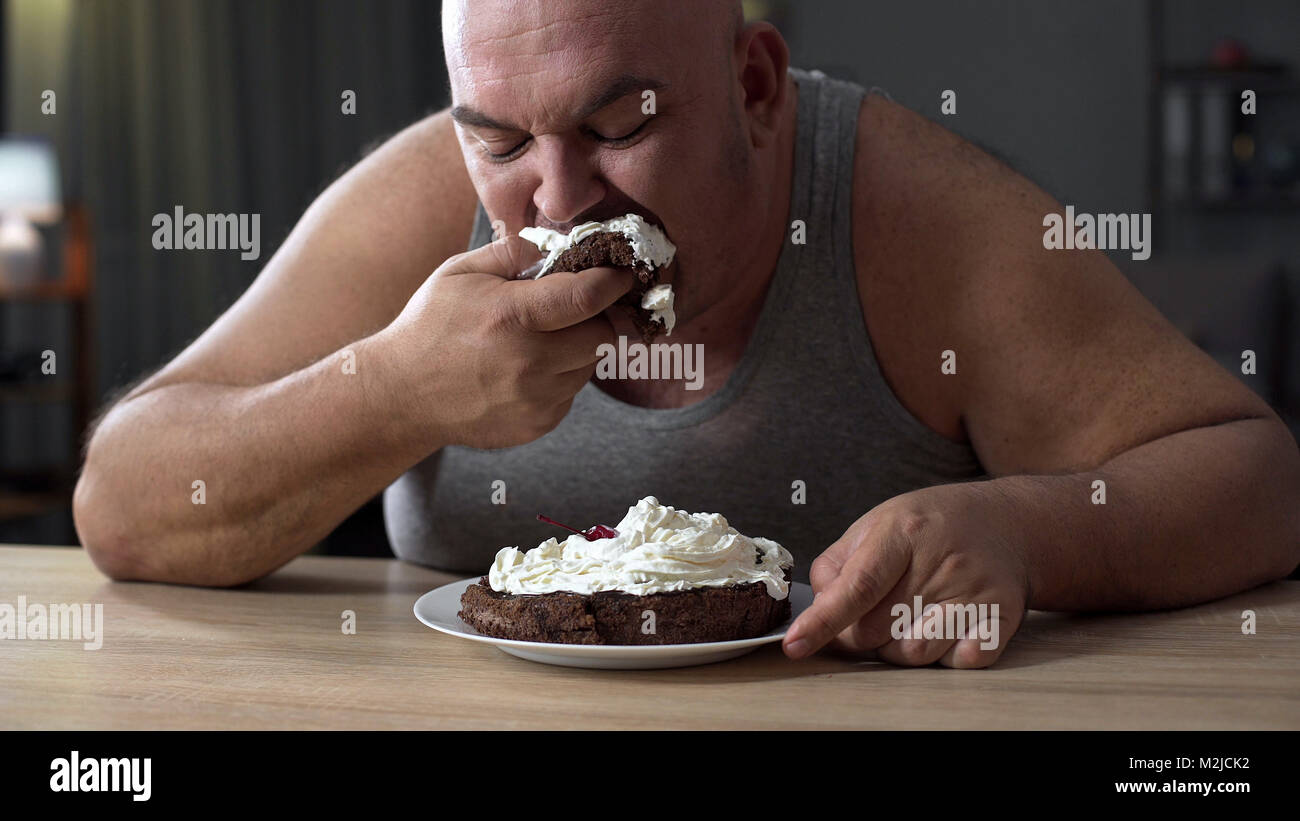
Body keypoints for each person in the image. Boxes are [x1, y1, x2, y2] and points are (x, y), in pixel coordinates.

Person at [73, 0, 1299, 668]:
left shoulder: (916, 215)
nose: (553, 201)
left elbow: (1252, 476)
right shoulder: (419, 202)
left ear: (756, 88)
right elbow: (123, 499)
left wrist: (1031, 529)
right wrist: (394, 388)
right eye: (499, 141)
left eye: (617, 127)